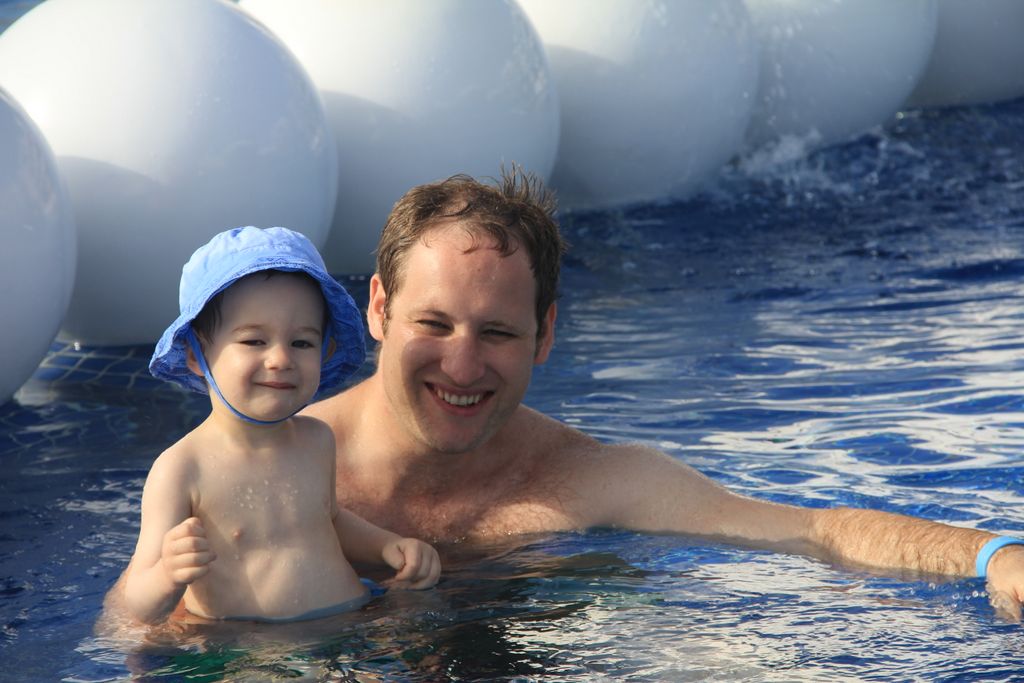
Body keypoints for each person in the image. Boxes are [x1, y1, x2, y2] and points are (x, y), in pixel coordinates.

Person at [300, 168, 1024, 619]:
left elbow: (812, 532)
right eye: (433, 324)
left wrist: (994, 554)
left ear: (545, 334)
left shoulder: (585, 478)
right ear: (379, 309)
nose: (462, 365)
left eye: (497, 332)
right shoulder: (280, 466)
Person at [122, 226, 440, 625]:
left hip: (351, 625)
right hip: (249, 647)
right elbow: (138, 603)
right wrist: (167, 575)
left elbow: (329, 520)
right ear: (194, 355)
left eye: (302, 343)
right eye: (254, 341)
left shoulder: (317, 439)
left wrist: (387, 546)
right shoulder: (183, 468)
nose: (280, 359)